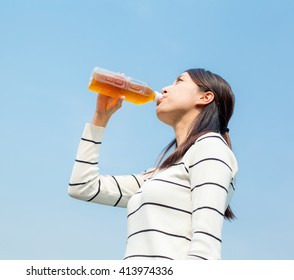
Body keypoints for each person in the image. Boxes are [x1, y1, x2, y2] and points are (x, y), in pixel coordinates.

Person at [68, 68, 238, 260]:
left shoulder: (211, 148)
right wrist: (100, 117)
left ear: (205, 97)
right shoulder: (159, 175)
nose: (165, 89)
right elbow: (83, 187)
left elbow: (206, 248)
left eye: (179, 82)